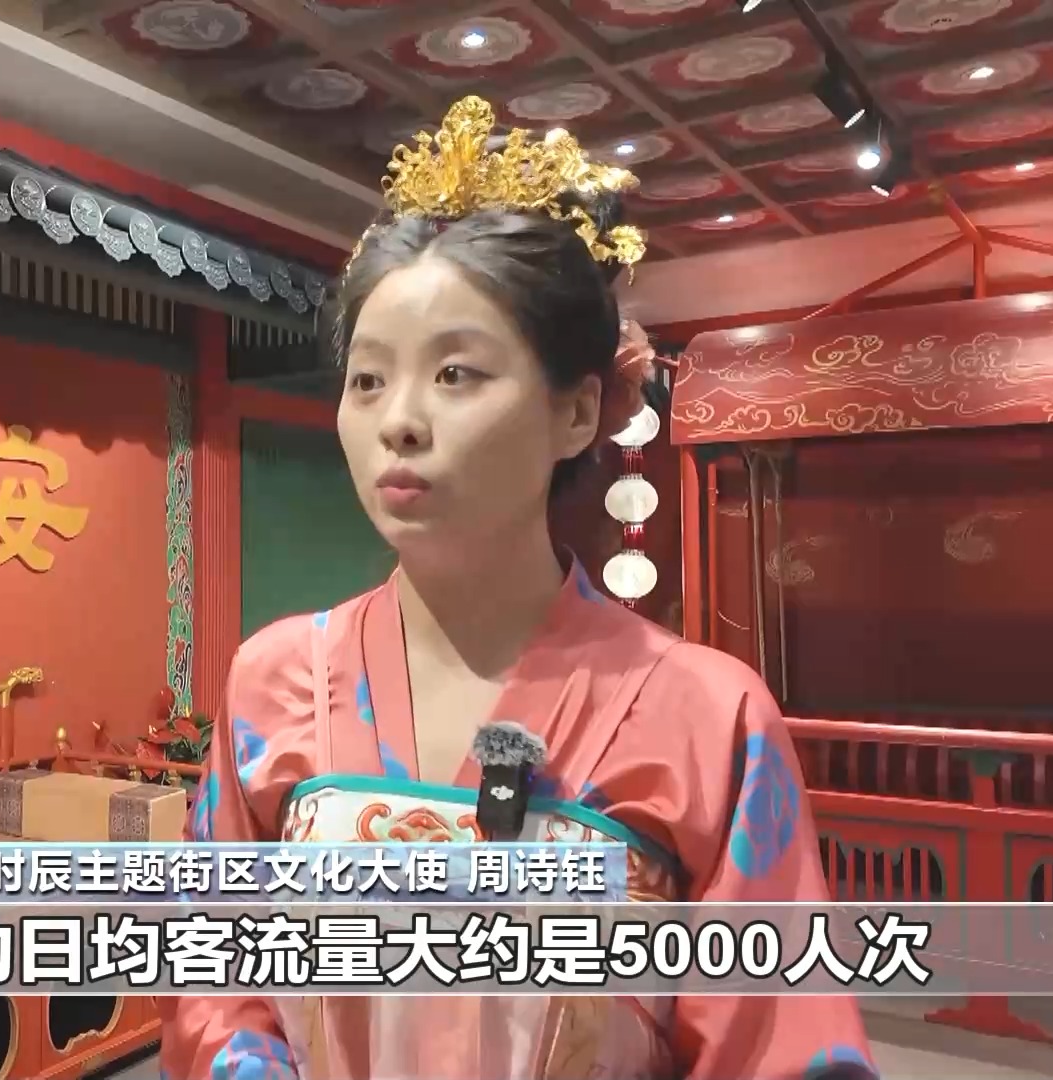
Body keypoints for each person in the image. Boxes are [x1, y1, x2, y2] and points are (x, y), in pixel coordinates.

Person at [160, 97, 876, 1080]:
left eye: (456, 373)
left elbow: (782, 1047)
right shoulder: (272, 680)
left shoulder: (710, 719)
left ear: (577, 412)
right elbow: (211, 970)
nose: (399, 420)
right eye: (367, 380)